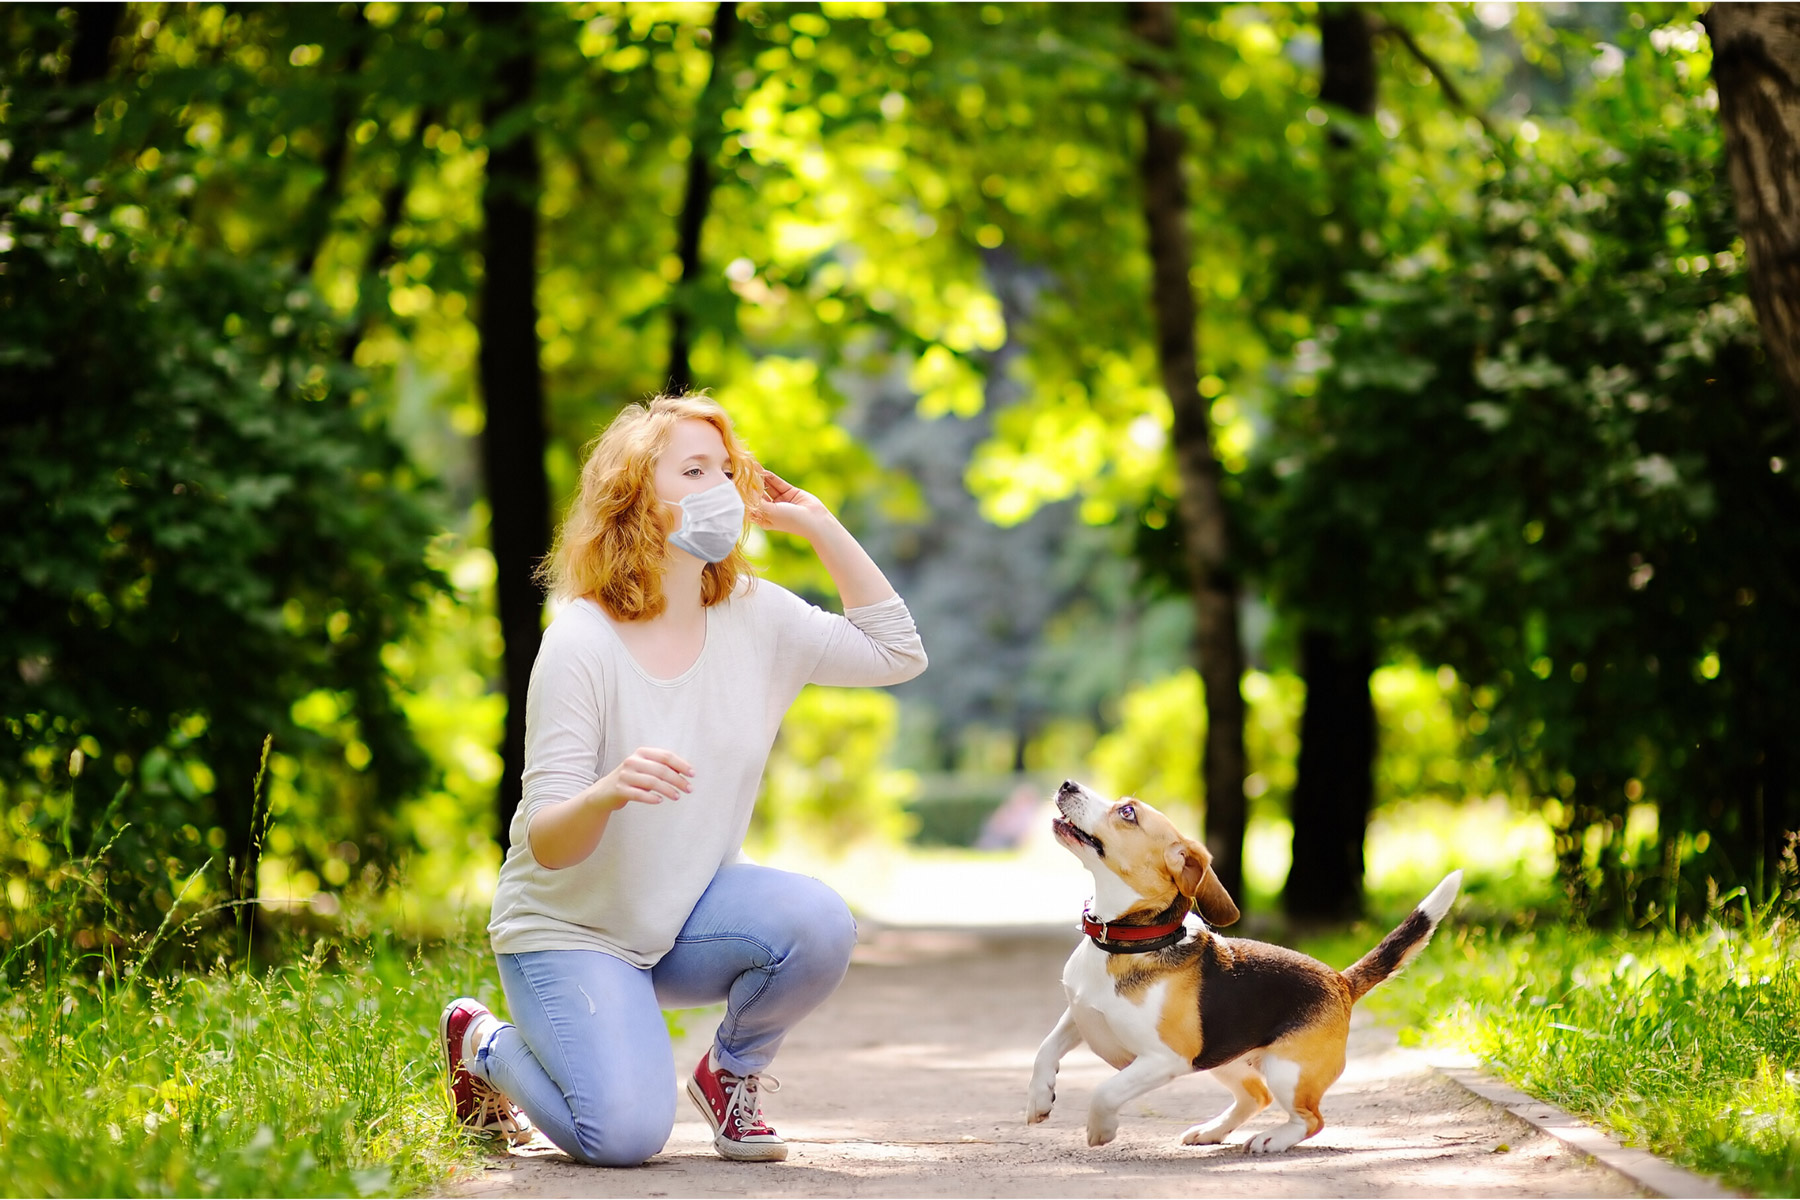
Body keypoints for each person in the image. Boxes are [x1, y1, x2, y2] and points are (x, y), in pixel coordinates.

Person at [439, 393, 927, 1167]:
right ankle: (483, 1043)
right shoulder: (582, 642)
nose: (722, 489)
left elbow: (898, 654)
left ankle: (729, 1073)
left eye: (728, 471)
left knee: (819, 923)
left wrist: (819, 524)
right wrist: (606, 792)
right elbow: (548, 842)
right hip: (571, 930)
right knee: (624, 1139)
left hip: (680, 914)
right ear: (637, 498)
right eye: (694, 470)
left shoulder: (753, 613)